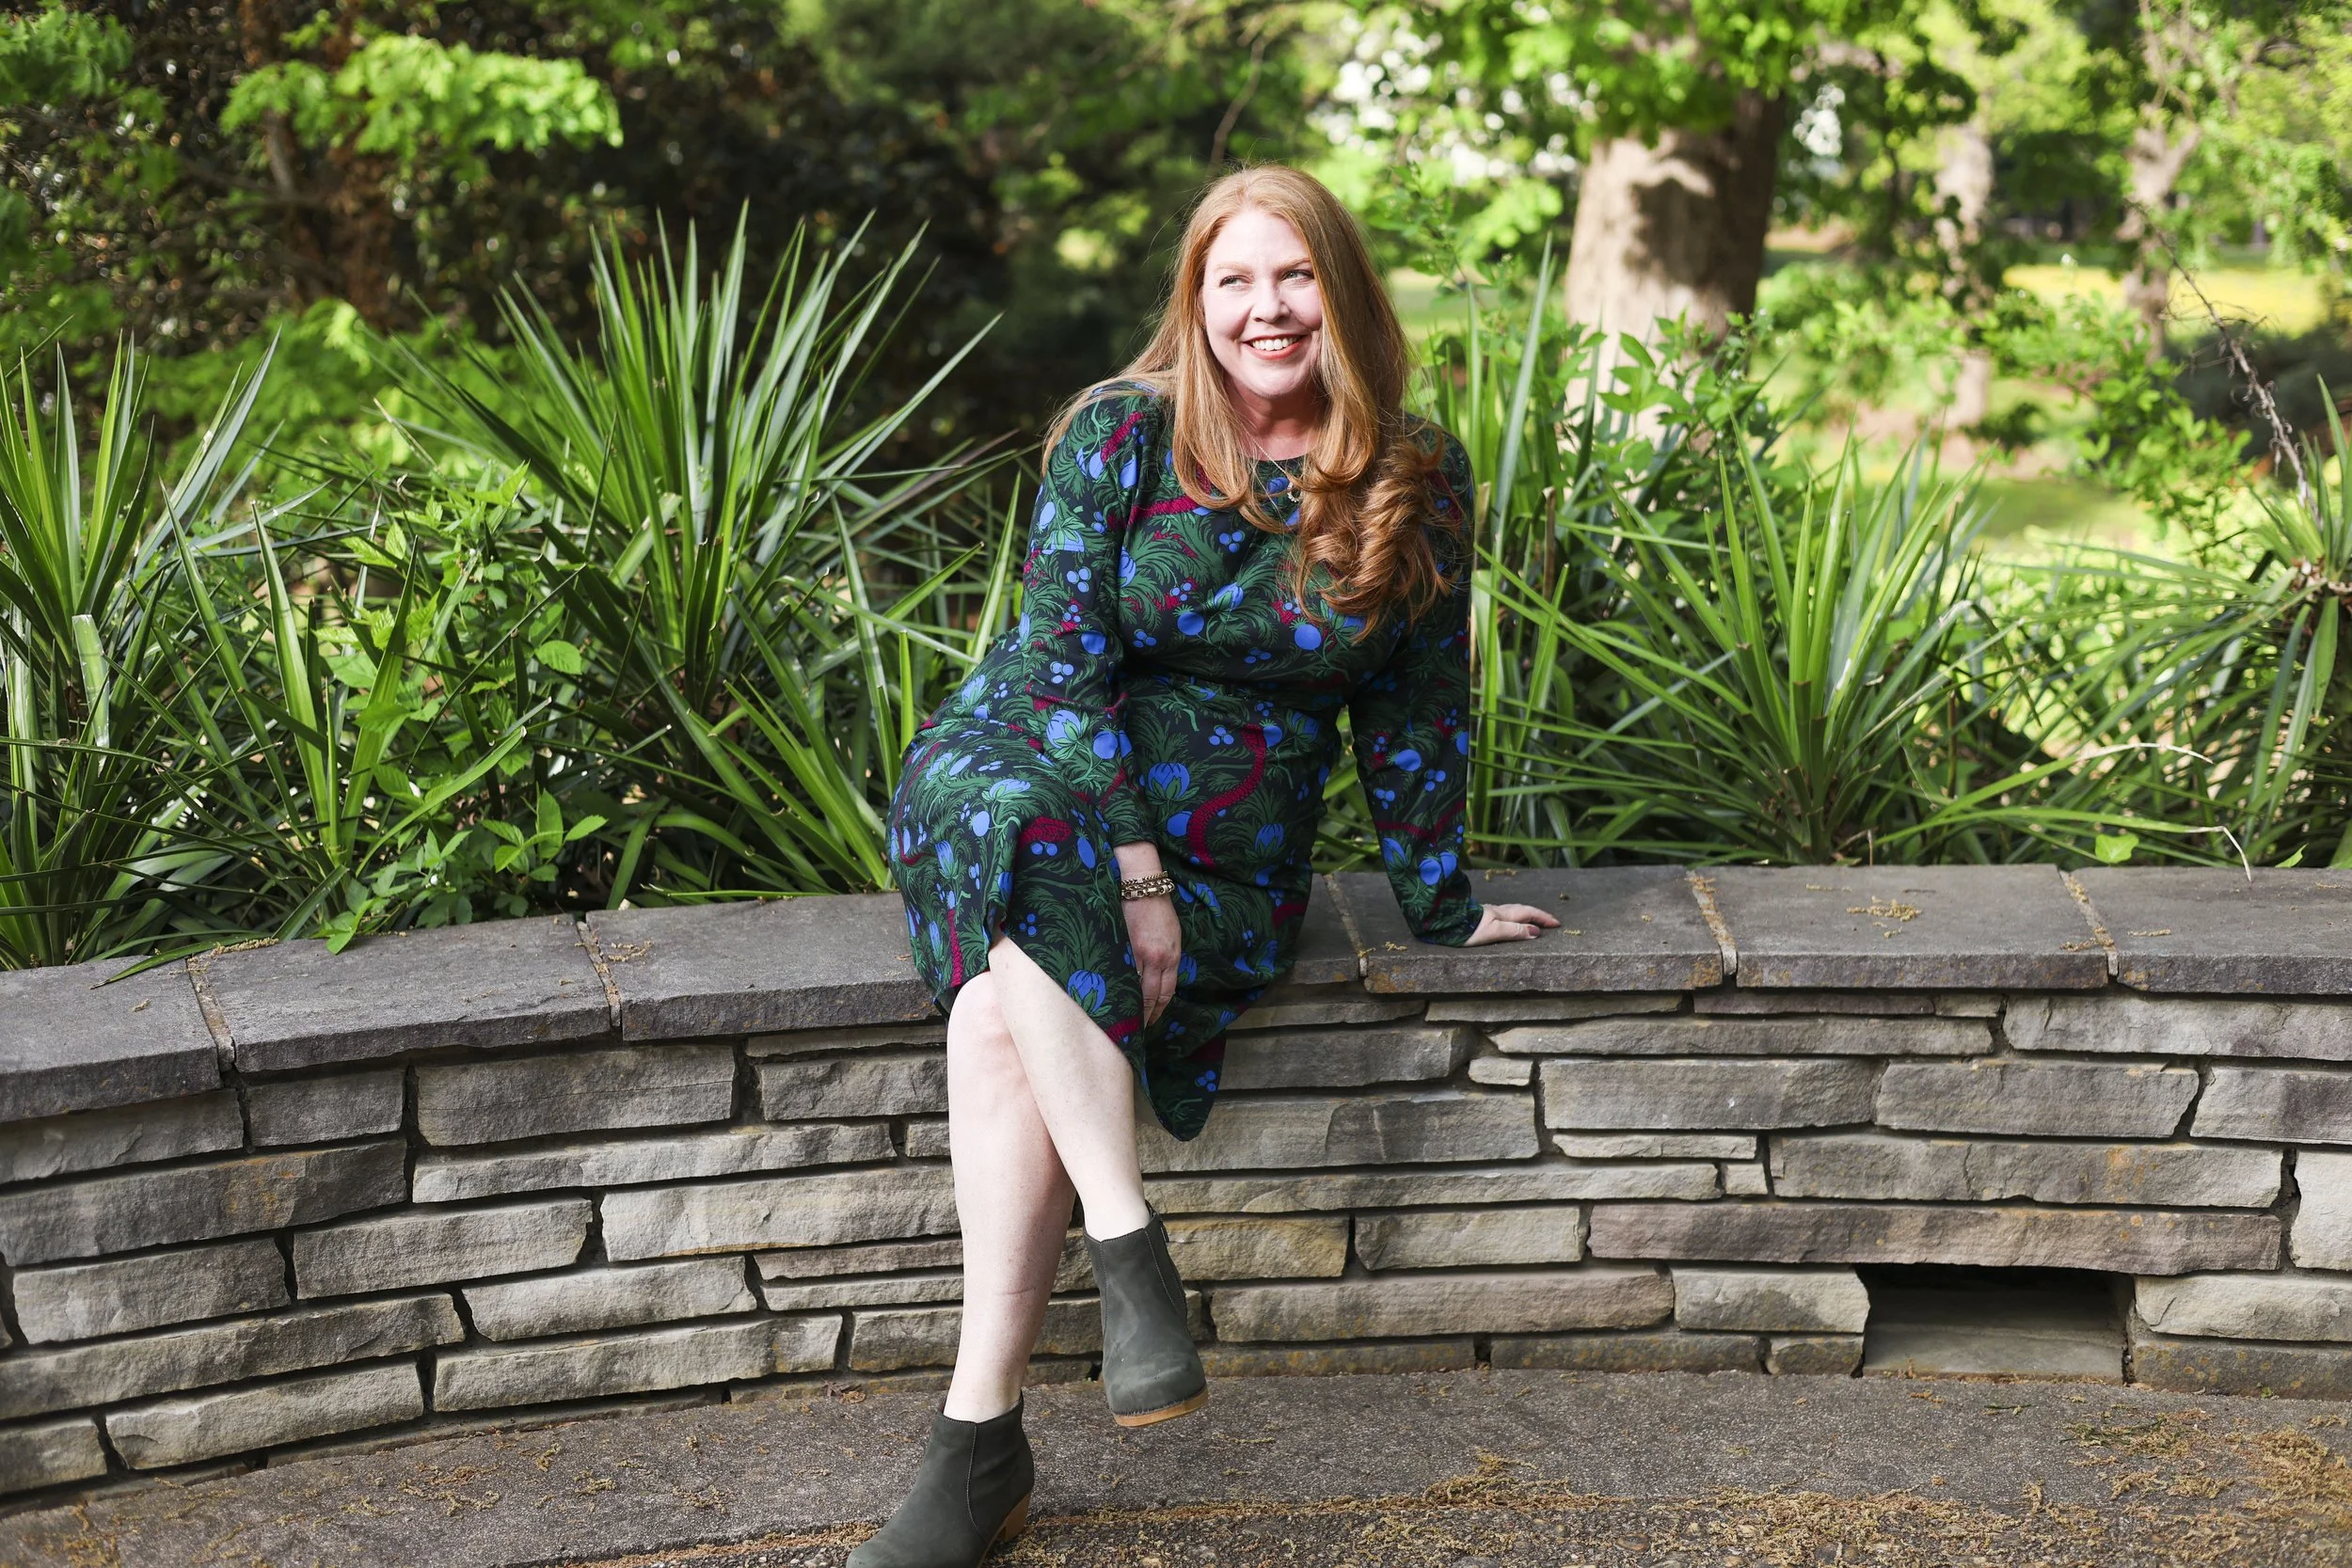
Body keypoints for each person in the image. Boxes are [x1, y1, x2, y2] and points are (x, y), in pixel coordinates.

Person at [860, 165, 1559, 1567]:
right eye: (1233, 280)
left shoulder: (1416, 472)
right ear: (1197, 301)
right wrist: (1133, 873)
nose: (1266, 308)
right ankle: (1131, 1251)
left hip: (1233, 828)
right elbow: (1060, 672)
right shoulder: (1121, 436)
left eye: (1293, 277)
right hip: (1036, 760)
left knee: (1004, 1005)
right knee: (1020, 840)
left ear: (1342, 295)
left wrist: (1441, 900)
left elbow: (1419, 703)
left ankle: (978, 1439)